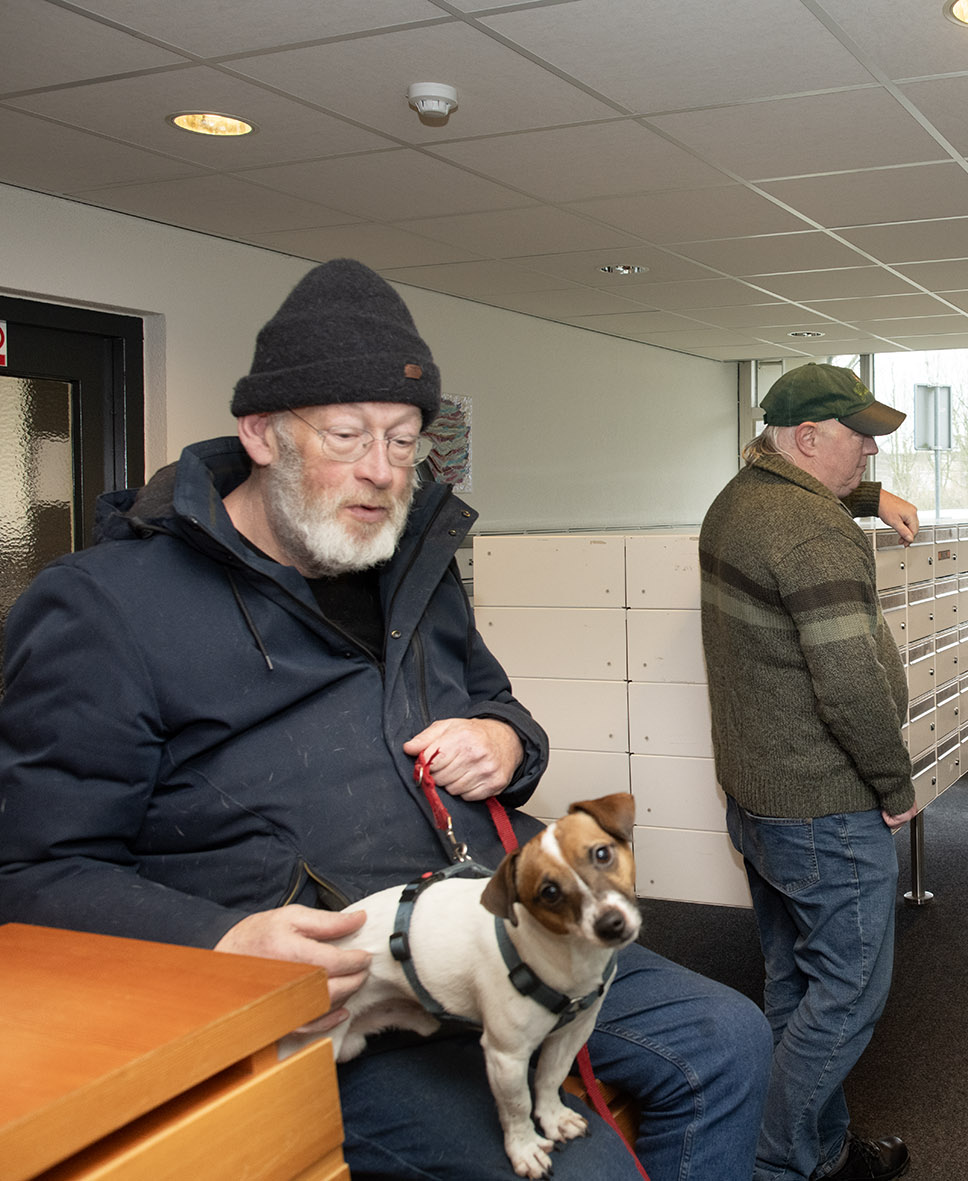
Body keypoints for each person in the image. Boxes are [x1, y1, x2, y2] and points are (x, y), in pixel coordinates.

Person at [0, 258, 772, 1181]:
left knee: (730, 1039)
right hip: (336, 992)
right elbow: (32, 873)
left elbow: (502, 709)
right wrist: (225, 942)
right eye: (346, 434)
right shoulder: (102, 608)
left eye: (404, 441)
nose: (381, 471)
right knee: (584, 1173)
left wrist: (506, 742)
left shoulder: (415, 568)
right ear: (260, 433)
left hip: (494, 922)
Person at [699, 363, 918, 1181]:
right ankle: (773, 1164)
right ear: (808, 438)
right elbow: (854, 685)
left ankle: (819, 1151)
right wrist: (895, 789)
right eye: (858, 438)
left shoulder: (736, 499)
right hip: (825, 805)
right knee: (848, 996)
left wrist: (867, 496)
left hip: (759, 801)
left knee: (792, 985)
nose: (868, 451)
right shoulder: (812, 532)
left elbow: (795, 506)